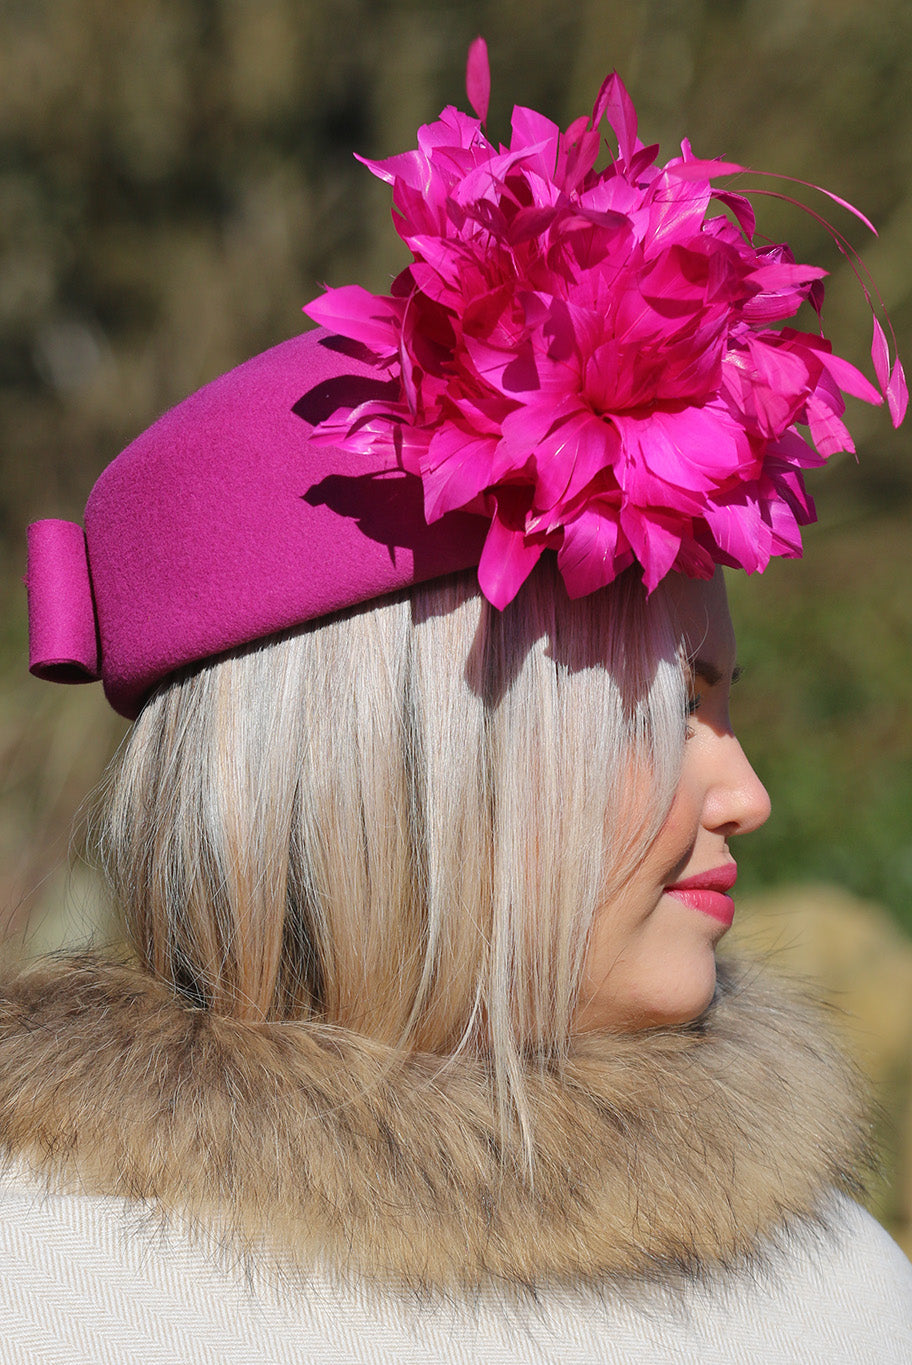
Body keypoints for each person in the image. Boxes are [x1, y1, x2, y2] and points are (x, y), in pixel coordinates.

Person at [2, 40, 910, 1364]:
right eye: (667, 714)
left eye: (723, 709)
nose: (748, 793)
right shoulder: (54, 1288)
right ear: (402, 765)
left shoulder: (835, 1287)